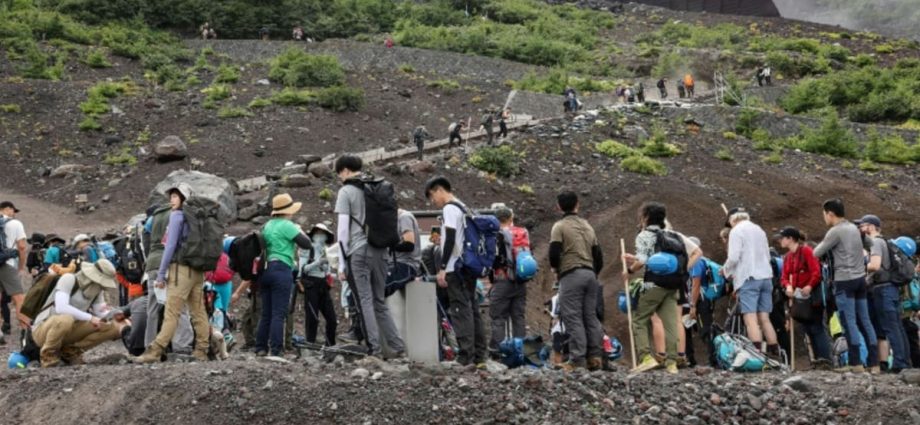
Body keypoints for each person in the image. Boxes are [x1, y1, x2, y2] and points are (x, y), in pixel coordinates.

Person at [336, 155, 406, 358]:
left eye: (339, 173)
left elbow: (342, 230)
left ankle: (373, 349)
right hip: (382, 251)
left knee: (364, 301)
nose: (340, 177)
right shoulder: (376, 187)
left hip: (359, 251)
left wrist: (341, 263)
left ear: (345, 171)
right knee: (379, 301)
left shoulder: (346, 191)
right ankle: (397, 347)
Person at [132, 184, 211, 363]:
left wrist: (161, 275)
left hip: (180, 270)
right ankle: (201, 350)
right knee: (198, 312)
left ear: (183, 198)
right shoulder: (197, 218)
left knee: (171, 312)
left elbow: (170, 246)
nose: (171, 200)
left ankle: (155, 351)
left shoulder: (177, 216)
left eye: (175, 196)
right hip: (197, 271)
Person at [624, 202, 701, 374]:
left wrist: (629, 270)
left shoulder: (645, 235)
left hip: (653, 283)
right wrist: (683, 269)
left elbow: (643, 260)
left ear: (645, 217)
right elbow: (697, 251)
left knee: (639, 319)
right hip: (674, 284)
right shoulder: (675, 234)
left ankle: (646, 357)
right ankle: (672, 363)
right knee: (672, 322)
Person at [813, 198, 879, 373]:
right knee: (865, 320)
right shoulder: (854, 229)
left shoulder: (835, 231)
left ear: (830, 214)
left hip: (844, 280)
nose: (824, 218)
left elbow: (816, 253)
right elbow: (871, 244)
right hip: (860, 279)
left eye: (824, 215)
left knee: (848, 321)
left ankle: (856, 363)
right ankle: (875, 364)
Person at [426, 176, 486, 366]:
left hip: (456, 267)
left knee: (461, 310)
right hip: (468, 267)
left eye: (431, 196)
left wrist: (443, 267)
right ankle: (479, 355)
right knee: (472, 308)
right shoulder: (463, 206)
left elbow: (450, 238)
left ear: (439, 190)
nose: (432, 201)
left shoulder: (450, 208)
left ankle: (465, 356)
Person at [31, 259, 129, 367]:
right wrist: (90, 317)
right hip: (43, 330)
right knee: (65, 319)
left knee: (110, 327)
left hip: (69, 329)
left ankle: (70, 352)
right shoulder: (69, 279)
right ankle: (48, 357)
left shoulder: (97, 289)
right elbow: (61, 307)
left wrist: (118, 314)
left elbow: (100, 312)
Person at [550, 191, 604, 371]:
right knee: (590, 316)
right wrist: (592, 272)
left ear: (558, 207)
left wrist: (556, 270)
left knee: (572, 316)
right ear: (577, 205)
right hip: (590, 275)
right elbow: (598, 255)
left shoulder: (559, 226)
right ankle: (595, 356)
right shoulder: (588, 226)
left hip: (571, 275)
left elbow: (554, 253)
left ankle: (577, 358)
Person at [722, 207, 781, 359]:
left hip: (749, 278)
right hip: (766, 277)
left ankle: (756, 354)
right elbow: (767, 255)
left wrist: (725, 270)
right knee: (765, 318)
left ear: (732, 219)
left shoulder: (736, 231)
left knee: (750, 318)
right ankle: (775, 352)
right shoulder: (759, 230)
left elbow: (734, 257)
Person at [857, 214, 911, 372]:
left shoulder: (875, 242)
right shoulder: (884, 242)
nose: (860, 228)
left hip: (883, 289)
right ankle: (904, 361)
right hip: (890, 289)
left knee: (890, 327)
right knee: (896, 326)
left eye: (863, 225)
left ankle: (900, 364)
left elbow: (875, 265)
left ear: (872, 227)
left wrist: (862, 265)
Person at [142, 199, 193, 355]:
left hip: (153, 264)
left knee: (152, 307)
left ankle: (150, 346)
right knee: (179, 306)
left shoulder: (152, 218)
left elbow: (146, 244)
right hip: (174, 263)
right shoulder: (179, 214)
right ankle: (181, 345)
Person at [776, 226, 833, 367]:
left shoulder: (806, 251)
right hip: (799, 299)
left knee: (817, 328)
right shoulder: (788, 257)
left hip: (812, 297)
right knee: (808, 328)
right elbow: (784, 277)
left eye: (782, 238)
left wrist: (809, 286)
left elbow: (816, 272)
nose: (780, 240)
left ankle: (826, 359)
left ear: (790, 239)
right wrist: (788, 286)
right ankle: (818, 360)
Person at [488, 206, 530, 355]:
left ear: (496, 219)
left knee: (498, 317)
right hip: (521, 280)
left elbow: (493, 259)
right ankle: (521, 350)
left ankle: (499, 351)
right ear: (511, 218)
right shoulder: (522, 232)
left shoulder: (496, 234)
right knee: (518, 316)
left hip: (502, 280)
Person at [299, 223, 337, 346]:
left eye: (323, 234)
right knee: (312, 318)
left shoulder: (326, 251)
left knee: (332, 318)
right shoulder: (307, 249)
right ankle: (310, 344)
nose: (321, 236)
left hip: (323, 284)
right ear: (313, 235)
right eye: (318, 233)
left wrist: (326, 266)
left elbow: (328, 271)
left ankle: (330, 344)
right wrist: (318, 262)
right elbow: (303, 269)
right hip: (311, 284)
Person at [686, 236, 718, 367]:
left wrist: (692, 305)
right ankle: (692, 358)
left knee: (705, 330)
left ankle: (713, 360)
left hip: (700, 300)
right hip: (706, 299)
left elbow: (696, 284)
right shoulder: (704, 260)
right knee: (704, 328)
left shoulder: (696, 262)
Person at [0, 201, 29, 338]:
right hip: (7, 264)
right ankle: (25, 333)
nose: (14, 214)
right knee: (19, 298)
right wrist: (21, 267)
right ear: (7, 209)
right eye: (13, 211)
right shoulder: (15, 224)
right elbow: (22, 246)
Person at [385, 209, 421, 297]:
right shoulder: (391, 221)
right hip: (391, 264)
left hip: (405, 264)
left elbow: (409, 245)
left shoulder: (404, 218)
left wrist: (387, 244)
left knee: (379, 288)